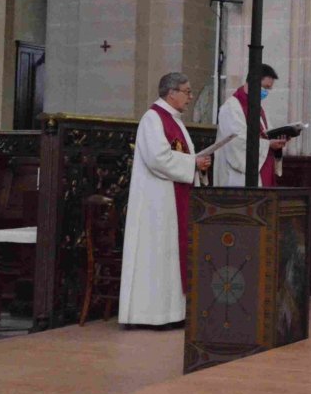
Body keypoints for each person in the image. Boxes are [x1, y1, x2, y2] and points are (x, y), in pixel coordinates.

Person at [118, 73, 213, 328]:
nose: (191, 97)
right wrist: (193, 162)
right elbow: (158, 158)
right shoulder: (152, 119)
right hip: (156, 204)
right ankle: (150, 316)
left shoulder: (175, 121)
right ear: (172, 93)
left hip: (172, 201)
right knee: (156, 257)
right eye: (187, 91)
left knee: (170, 256)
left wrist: (198, 164)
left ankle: (172, 314)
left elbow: (181, 156)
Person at [213, 64, 287, 187]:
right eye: (265, 87)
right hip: (238, 177)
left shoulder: (259, 109)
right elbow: (235, 142)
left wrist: (278, 140)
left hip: (262, 171)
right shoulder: (231, 108)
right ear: (252, 82)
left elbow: (267, 134)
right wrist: (268, 144)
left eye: (269, 89)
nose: (266, 92)